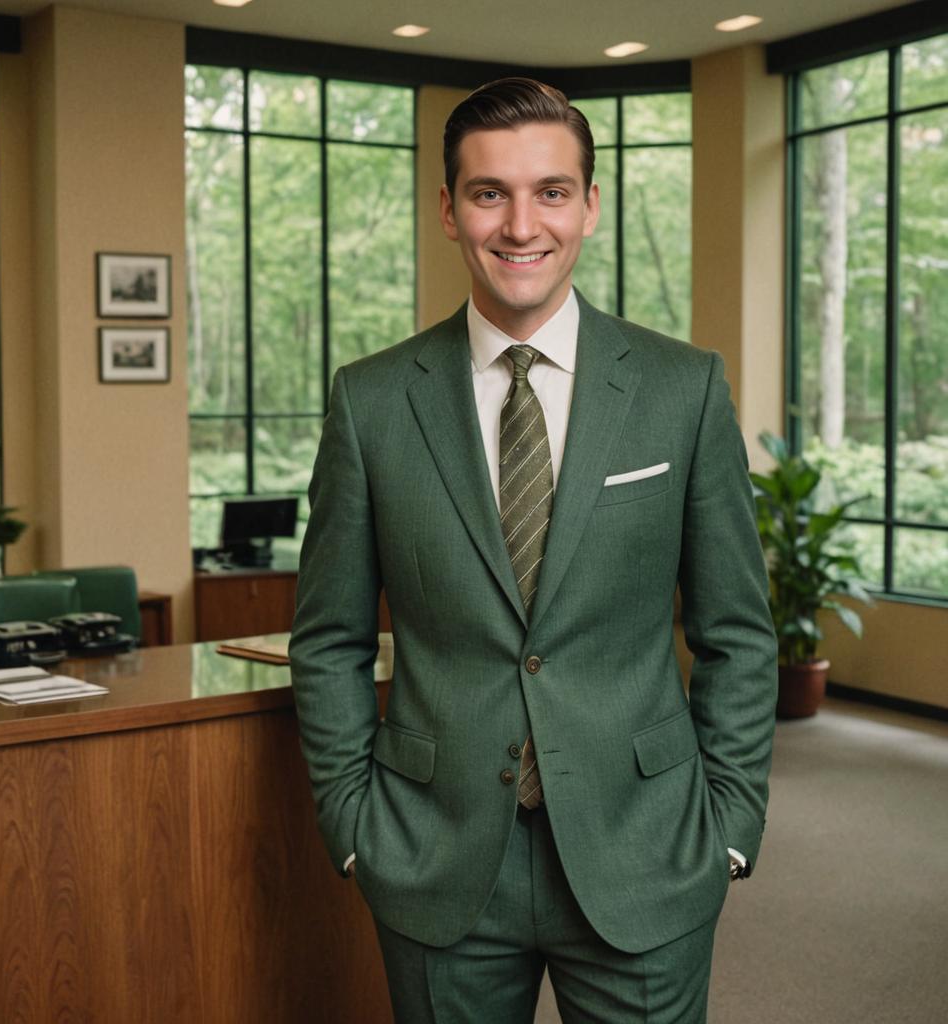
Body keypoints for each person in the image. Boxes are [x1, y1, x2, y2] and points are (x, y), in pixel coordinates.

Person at [289, 77, 777, 1023]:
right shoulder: (372, 402)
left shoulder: (685, 388)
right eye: (489, 193)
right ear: (447, 209)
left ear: (590, 205)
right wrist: (354, 827)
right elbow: (328, 638)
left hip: (648, 846)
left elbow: (738, 633)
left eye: (552, 190)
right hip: (434, 854)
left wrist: (729, 825)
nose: (522, 224)